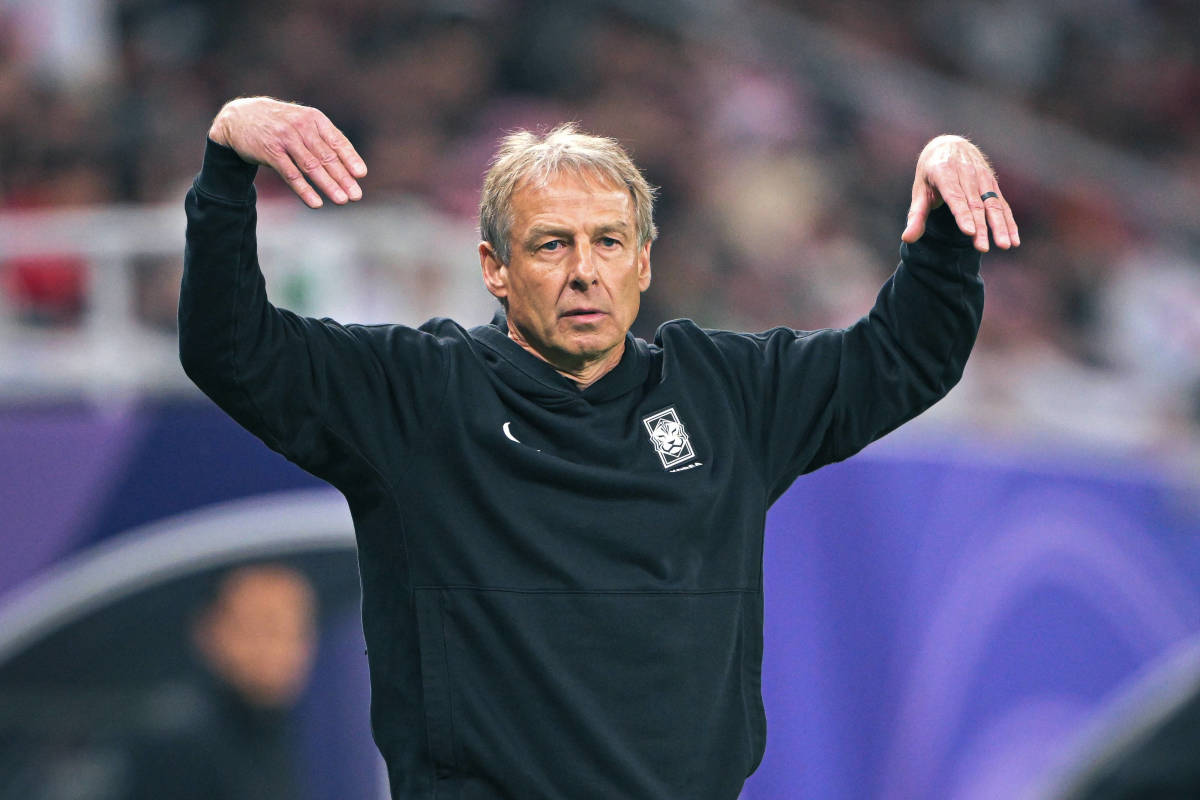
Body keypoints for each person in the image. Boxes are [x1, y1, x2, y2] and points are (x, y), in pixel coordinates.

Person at [179, 96, 1018, 799]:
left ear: (644, 261)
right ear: (494, 267)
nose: (585, 270)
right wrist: (226, 166)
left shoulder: (726, 394)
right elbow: (231, 349)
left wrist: (944, 222)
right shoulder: (416, 395)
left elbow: (904, 356)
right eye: (551, 244)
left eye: (609, 241)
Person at [123, 564, 318, 800]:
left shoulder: (271, 734)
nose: (282, 649)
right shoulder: (179, 743)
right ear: (210, 631)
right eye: (265, 627)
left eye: (296, 631)